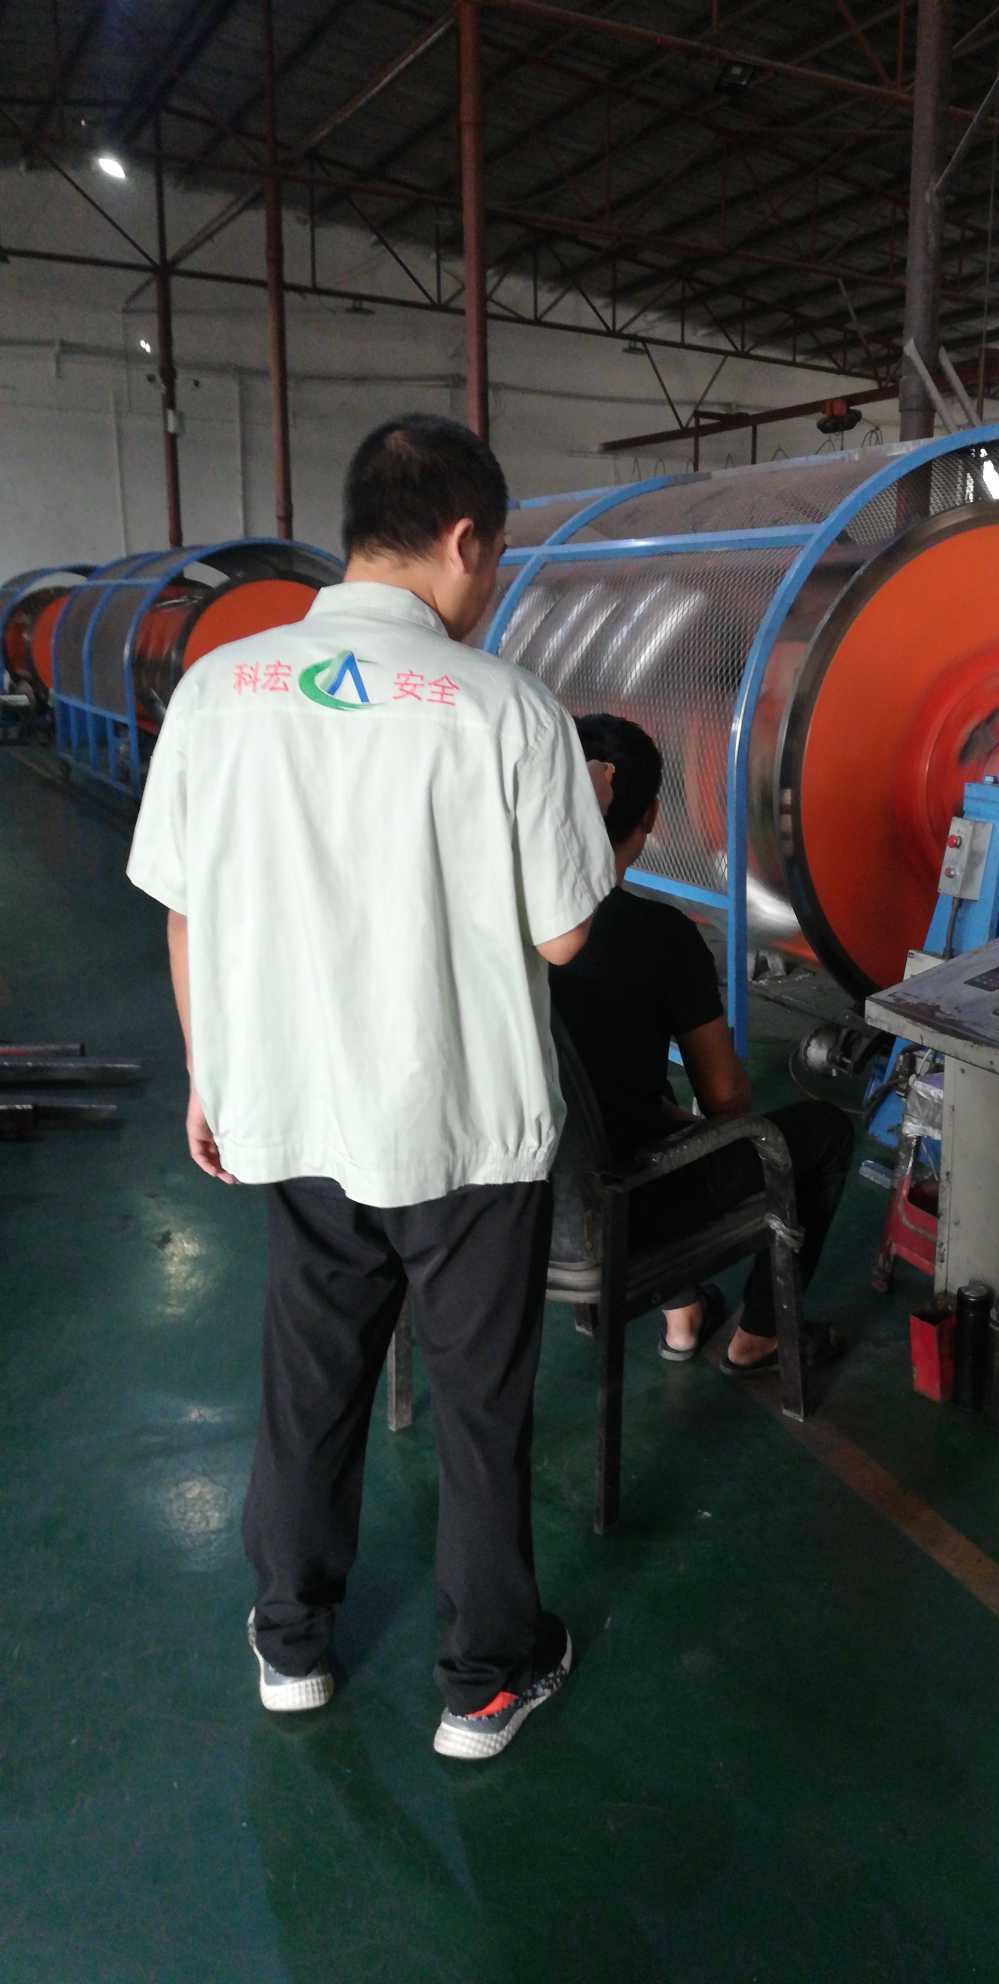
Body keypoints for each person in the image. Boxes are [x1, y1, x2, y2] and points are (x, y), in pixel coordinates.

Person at [126, 414, 617, 1763]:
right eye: (492, 560)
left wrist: (211, 1075)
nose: (489, 587)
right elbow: (565, 936)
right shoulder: (506, 708)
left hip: (294, 1108)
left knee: (310, 1379)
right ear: (464, 541)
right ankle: (484, 1682)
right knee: (479, 1406)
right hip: (464, 1131)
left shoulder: (219, 691)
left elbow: (182, 909)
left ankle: (291, 1642)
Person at [550, 713, 854, 1371]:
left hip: (512, 1201)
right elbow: (726, 1099)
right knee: (822, 1131)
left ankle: (684, 1313)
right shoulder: (661, 936)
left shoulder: (497, 918)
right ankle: (762, 1336)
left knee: (642, 1114)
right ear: (651, 817)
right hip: (622, 1210)